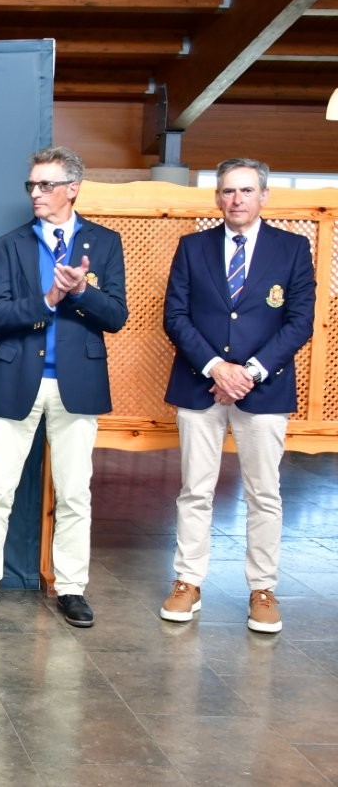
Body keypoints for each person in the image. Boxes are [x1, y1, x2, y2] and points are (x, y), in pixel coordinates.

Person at [0, 146, 128, 628]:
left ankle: (71, 587)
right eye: (31, 185)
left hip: (78, 384)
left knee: (76, 493)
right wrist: (47, 299)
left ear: (73, 188)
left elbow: (116, 315)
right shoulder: (10, 244)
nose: (36, 193)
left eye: (46, 185)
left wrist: (81, 292)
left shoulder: (105, 241)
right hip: (18, 380)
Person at [160, 158, 315, 634]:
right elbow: (175, 316)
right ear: (217, 198)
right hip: (199, 383)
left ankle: (262, 588)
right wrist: (216, 367)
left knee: (264, 494)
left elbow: (299, 322)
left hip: (264, 389)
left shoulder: (292, 249)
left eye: (246, 191)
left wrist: (248, 372)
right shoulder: (192, 247)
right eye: (228, 192)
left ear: (264, 196)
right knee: (195, 490)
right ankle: (188, 581)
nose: (237, 200)